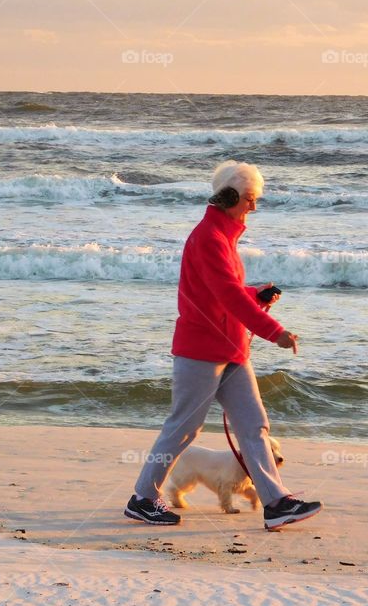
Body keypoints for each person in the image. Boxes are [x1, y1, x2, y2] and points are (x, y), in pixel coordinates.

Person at [124, 160, 323, 531]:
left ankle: (276, 502)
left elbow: (226, 293)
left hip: (231, 349)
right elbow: (228, 295)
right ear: (232, 196)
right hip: (200, 350)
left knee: (254, 426)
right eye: (250, 199)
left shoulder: (225, 238)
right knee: (182, 429)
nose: (254, 207)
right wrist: (273, 330)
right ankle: (143, 497)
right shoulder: (209, 239)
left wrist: (256, 294)